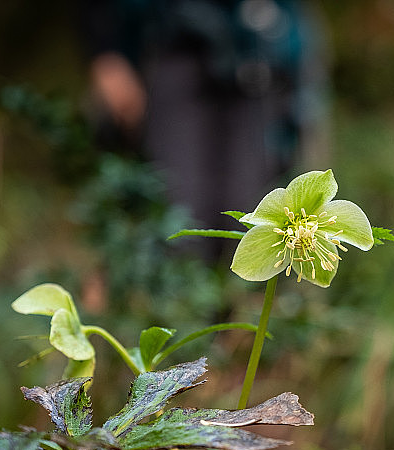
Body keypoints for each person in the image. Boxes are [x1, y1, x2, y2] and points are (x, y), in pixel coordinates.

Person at [82, 0, 329, 259]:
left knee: (253, 212)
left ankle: (249, 292)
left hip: (260, 50)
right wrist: (106, 51)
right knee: (180, 210)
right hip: (169, 41)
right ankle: (178, 286)